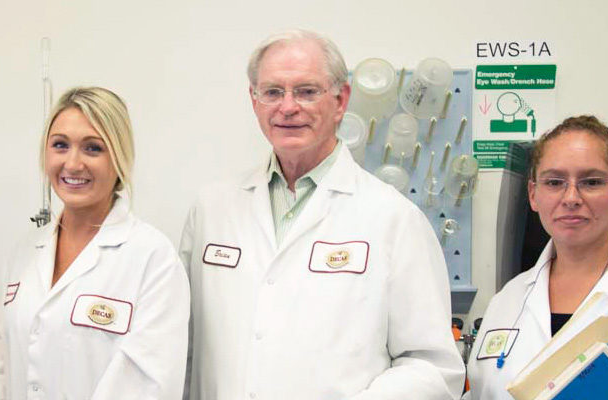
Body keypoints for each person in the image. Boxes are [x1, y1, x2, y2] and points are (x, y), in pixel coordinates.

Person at [180, 29, 465, 399]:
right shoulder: (211, 209)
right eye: (272, 92)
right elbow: (182, 348)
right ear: (254, 101)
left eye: (306, 91)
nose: (287, 107)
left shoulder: (393, 218)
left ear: (340, 99)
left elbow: (432, 366)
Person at [0, 87, 190, 399]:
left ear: (119, 157)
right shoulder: (23, 254)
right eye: (60, 145)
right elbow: (2, 365)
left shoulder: (153, 258)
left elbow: (149, 384)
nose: (72, 164)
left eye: (93, 148)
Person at [465, 115, 608, 399]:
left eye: (591, 182)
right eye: (554, 182)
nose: (571, 197)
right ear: (533, 195)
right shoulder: (507, 301)